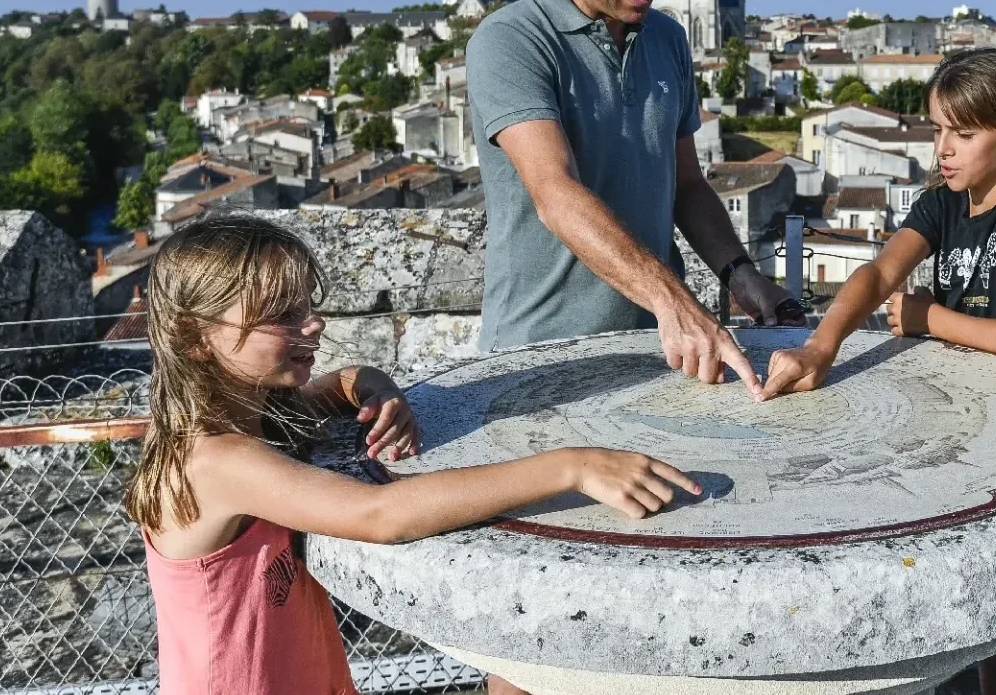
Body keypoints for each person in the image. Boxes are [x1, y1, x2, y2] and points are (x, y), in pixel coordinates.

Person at [125, 214, 699, 695]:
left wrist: (373, 384)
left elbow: (332, 387)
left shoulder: (249, 413)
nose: (314, 322)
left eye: (307, 304)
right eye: (282, 315)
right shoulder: (213, 461)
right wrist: (571, 466)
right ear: (196, 336)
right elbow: (382, 515)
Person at [761, 48, 996, 695]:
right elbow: (880, 272)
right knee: (976, 632)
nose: (943, 148)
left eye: (963, 134)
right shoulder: (945, 201)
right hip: (974, 426)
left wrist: (928, 318)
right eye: (939, 129)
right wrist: (820, 347)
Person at [467, 0, 801, 401]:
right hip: (542, 354)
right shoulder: (512, 41)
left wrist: (741, 274)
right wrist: (674, 301)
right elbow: (556, 192)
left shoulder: (667, 38)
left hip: (659, 351)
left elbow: (687, 186)